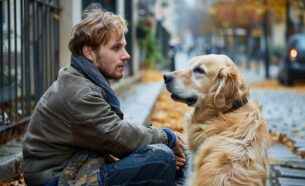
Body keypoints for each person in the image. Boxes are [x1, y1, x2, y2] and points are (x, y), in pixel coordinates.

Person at [22, 4, 186, 186]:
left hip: (75, 167)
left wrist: (161, 140)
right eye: (116, 48)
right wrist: (166, 136)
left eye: (124, 47)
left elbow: (114, 135)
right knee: (160, 159)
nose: (126, 55)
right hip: (58, 179)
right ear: (89, 52)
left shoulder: (82, 80)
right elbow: (118, 136)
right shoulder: (81, 93)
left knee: (168, 157)